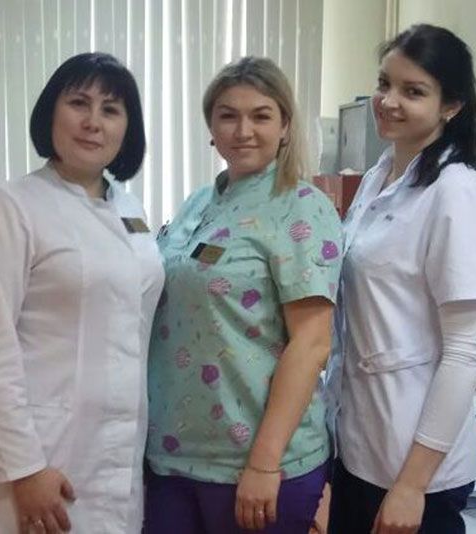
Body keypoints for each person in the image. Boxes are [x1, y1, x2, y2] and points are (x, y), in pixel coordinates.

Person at [0, 52, 163, 534]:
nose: (93, 122)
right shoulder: (9, 207)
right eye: (78, 103)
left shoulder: (130, 210)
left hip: (115, 456)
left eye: (111, 110)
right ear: (51, 112)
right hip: (37, 457)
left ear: (127, 128)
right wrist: (24, 468)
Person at [144, 56, 342, 534]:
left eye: (261, 115)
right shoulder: (199, 202)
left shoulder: (301, 207)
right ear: (211, 128)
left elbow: (312, 343)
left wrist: (264, 463)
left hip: (256, 463)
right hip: (172, 454)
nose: (243, 130)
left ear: (285, 126)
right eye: (228, 115)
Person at [325, 24, 476, 534]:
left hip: (416, 469)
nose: (388, 101)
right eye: (385, 84)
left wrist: (412, 484)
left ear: (451, 106)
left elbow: (466, 349)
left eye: (413, 91)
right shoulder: (379, 177)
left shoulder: (456, 191)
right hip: (359, 446)